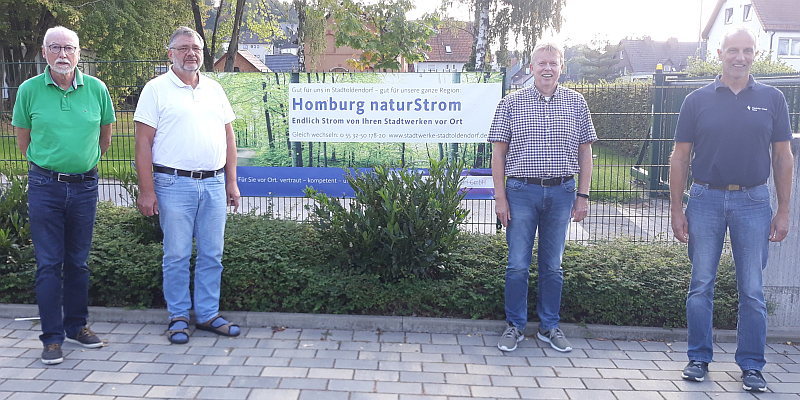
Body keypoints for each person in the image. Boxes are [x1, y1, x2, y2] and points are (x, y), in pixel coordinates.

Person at [669, 26, 793, 393]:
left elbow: (783, 157)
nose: (740, 57)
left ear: (755, 54)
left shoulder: (773, 99)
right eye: (733, 50)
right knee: (700, 284)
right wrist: (677, 209)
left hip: (754, 202)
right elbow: (679, 158)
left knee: (752, 289)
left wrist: (783, 210)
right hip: (705, 200)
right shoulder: (696, 100)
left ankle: (752, 365)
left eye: (747, 50)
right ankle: (698, 358)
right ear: (720, 53)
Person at [12, 26, 115, 365]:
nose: (62, 54)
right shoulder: (29, 90)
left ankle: (76, 327)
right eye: (55, 47)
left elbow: (105, 138)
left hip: (85, 186)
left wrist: (82, 164)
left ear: (79, 53)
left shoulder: (98, 89)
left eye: (69, 48)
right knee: (48, 264)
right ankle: (52, 338)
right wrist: (51, 166)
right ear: (44, 52)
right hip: (45, 187)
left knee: (78, 263)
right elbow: (23, 141)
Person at [134, 26, 241, 344]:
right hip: (173, 184)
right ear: (170, 54)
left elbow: (228, 137)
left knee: (212, 254)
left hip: (214, 184)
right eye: (182, 48)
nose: (190, 53)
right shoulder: (155, 90)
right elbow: (142, 143)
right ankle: (178, 317)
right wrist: (147, 189)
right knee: (177, 255)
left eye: (195, 47)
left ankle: (208, 315)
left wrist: (231, 182)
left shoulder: (214, 90)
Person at [489, 43, 597, 353]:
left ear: (562, 67)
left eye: (553, 63)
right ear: (531, 67)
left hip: (562, 192)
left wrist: (583, 196)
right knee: (518, 264)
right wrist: (500, 197)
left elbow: (585, 152)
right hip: (521, 192)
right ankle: (515, 326)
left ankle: (550, 326)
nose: (547, 68)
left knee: (553, 265)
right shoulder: (511, 103)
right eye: (541, 63)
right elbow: (499, 153)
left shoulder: (576, 103)